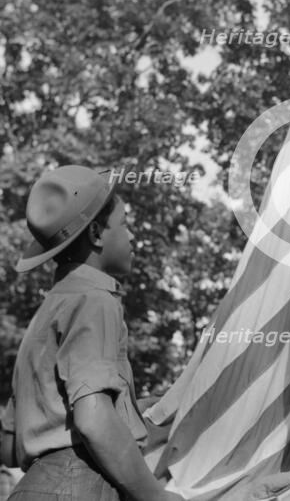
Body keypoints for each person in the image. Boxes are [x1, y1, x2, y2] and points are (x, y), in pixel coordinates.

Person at [0, 165, 183, 501]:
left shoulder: (45, 316)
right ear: (97, 233)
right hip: (81, 486)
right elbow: (93, 418)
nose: (131, 236)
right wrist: (156, 497)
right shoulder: (96, 301)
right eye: (125, 224)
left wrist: (140, 411)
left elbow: (10, 448)